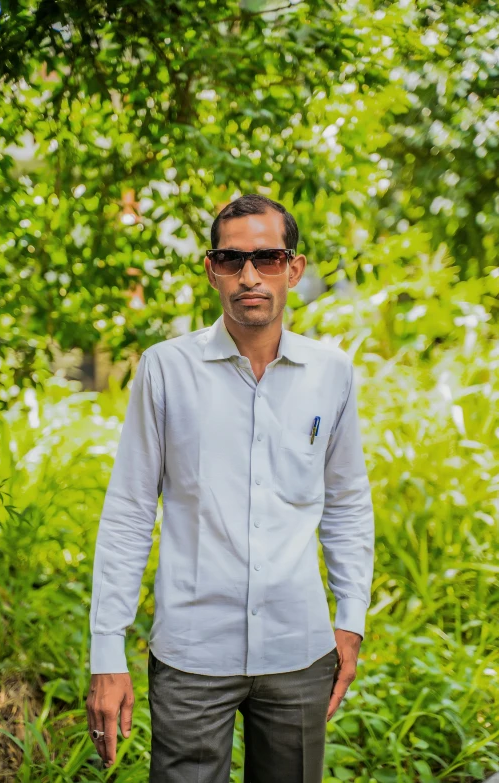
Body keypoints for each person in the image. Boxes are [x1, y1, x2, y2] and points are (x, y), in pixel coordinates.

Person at [86, 194, 375, 782]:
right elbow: (129, 512)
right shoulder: (166, 369)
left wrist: (351, 617)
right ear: (212, 269)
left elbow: (346, 502)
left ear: (293, 269)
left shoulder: (332, 372)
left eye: (268, 259)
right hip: (193, 654)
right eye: (231, 259)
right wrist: (106, 651)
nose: (250, 277)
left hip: (300, 651)